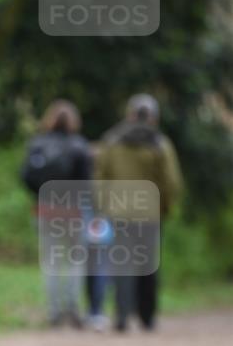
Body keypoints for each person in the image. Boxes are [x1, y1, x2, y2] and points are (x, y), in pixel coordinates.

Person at [96, 94, 183, 332]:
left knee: (122, 263)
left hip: (119, 211)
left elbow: (101, 176)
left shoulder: (112, 141)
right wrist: (164, 206)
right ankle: (147, 317)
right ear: (153, 118)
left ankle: (122, 316)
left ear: (129, 115)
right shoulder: (160, 144)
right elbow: (171, 181)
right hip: (150, 212)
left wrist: (104, 205)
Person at [21, 100, 92, 328]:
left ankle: (53, 312)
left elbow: (25, 176)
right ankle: (72, 309)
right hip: (72, 211)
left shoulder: (37, 144)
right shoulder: (80, 146)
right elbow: (87, 184)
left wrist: (40, 194)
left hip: (45, 210)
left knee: (51, 261)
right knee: (75, 261)